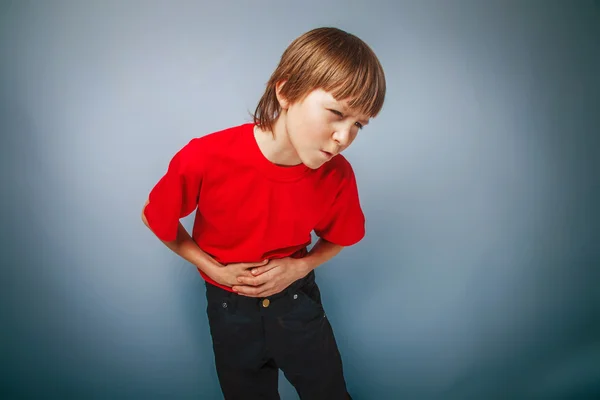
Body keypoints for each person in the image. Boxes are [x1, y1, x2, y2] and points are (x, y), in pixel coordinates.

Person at [141, 27, 386, 400]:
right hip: (230, 310)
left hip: (295, 302)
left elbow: (340, 234)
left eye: (358, 125)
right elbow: (154, 215)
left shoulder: (337, 174)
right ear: (286, 92)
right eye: (336, 113)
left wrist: (300, 267)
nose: (343, 137)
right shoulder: (207, 156)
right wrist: (210, 266)